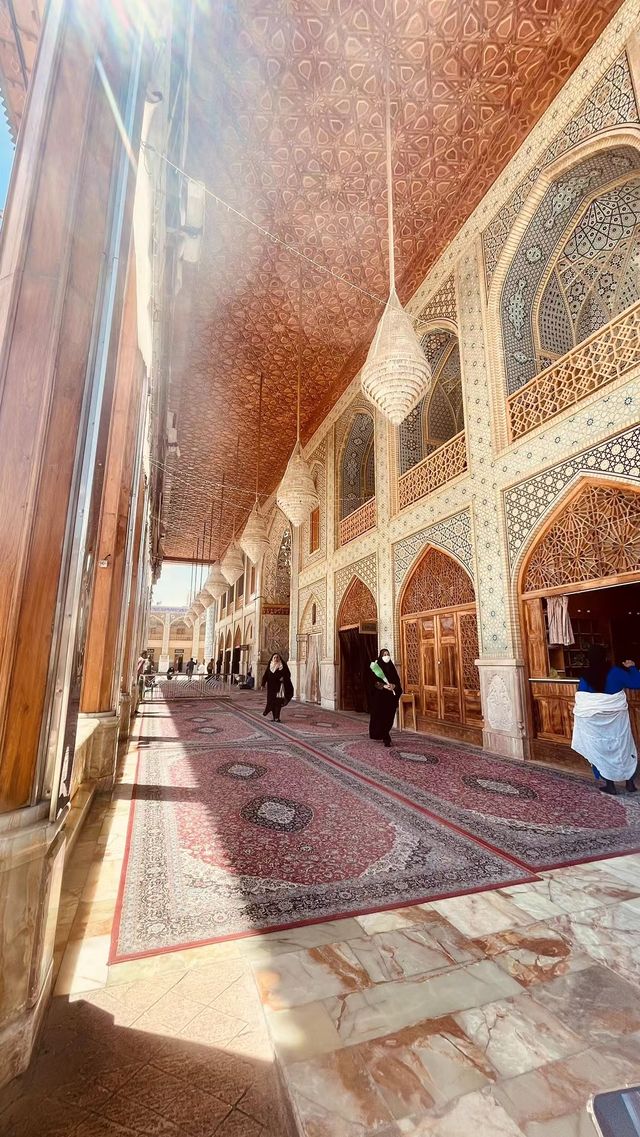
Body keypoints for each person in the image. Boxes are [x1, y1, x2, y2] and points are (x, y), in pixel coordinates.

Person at [572, 644, 640, 795]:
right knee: (623, 746)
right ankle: (630, 784)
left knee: (601, 749)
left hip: (593, 721)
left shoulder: (585, 675)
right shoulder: (615, 672)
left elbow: (584, 699)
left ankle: (610, 785)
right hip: (617, 720)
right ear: (605, 657)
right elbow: (637, 683)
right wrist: (633, 668)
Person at [368, 648, 403, 748]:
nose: (386, 656)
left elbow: (397, 682)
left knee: (389, 718)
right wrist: (383, 686)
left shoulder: (391, 667)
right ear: (380, 656)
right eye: (384, 654)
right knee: (380, 717)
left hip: (390, 699)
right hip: (379, 698)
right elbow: (372, 682)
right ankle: (386, 737)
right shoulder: (376, 667)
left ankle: (385, 733)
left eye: (387, 654)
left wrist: (393, 686)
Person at [261, 653, 293, 722]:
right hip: (271, 688)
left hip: (279, 688)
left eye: (277, 657)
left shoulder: (282, 666)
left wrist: (283, 678)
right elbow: (265, 675)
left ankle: (277, 717)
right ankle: (273, 716)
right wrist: (262, 684)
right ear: (272, 658)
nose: (276, 659)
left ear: (279, 658)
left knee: (278, 703)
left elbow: (288, 674)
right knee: (271, 702)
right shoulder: (270, 665)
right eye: (274, 657)